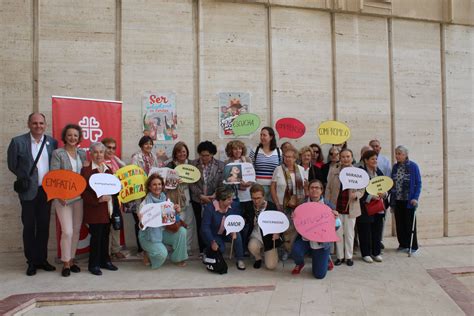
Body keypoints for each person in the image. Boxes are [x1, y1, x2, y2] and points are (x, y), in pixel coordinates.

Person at [7, 113, 58, 276]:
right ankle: (31, 261)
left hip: (46, 191)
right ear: (29, 124)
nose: (38, 126)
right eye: (35, 123)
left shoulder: (52, 142)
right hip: (28, 190)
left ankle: (42, 259)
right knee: (29, 226)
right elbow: (12, 165)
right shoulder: (17, 142)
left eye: (41, 123)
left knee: (43, 226)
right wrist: (26, 177)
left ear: (45, 125)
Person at [50, 124, 87, 277]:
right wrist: (59, 195)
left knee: (77, 230)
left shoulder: (82, 153)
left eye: (76, 136)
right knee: (68, 231)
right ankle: (65, 262)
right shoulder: (58, 153)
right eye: (70, 135)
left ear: (79, 138)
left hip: (79, 198)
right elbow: (54, 176)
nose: (73, 138)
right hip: (63, 198)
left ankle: (71, 260)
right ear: (65, 136)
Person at [81, 142, 118, 276]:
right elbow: (84, 192)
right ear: (90, 154)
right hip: (94, 209)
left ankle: (105, 261)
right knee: (96, 237)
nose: (98, 155)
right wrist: (98, 200)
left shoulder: (108, 169)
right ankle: (94, 264)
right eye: (95, 152)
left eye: (101, 152)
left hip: (107, 209)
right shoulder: (86, 170)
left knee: (105, 236)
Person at [137, 174, 188, 269]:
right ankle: (148, 254)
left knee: (182, 232)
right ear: (149, 187)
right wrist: (141, 221)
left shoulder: (166, 199)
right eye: (154, 184)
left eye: (159, 184)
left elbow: (170, 220)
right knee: (162, 254)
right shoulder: (144, 204)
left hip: (163, 231)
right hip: (148, 236)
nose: (157, 187)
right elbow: (142, 227)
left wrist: (176, 212)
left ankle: (178, 258)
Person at [291, 179, 338, 279]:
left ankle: (327, 259)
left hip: (321, 241)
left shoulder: (329, 206)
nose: (314, 190)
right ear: (308, 190)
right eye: (312, 188)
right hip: (305, 239)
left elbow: (337, 227)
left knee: (319, 275)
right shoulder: (302, 204)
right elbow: (297, 224)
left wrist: (336, 219)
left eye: (317, 188)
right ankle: (300, 264)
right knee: (296, 251)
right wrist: (294, 217)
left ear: (321, 190)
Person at [325, 148, 363, 267]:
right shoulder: (334, 170)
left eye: (348, 156)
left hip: (350, 207)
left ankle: (349, 257)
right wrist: (328, 205)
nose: (345, 159)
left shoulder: (357, 172)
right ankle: (340, 257)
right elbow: (328, 189)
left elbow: (362, 190)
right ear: (340, 158)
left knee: (350, 233)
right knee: (338, 233)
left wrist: (356, 195)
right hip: (336, 207)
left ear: (352, 158)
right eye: (343, 157)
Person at [190, 141, 225, 254]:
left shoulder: (220, 165)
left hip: (213, 200)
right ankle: (202, 250)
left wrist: (215, 195)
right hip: (197, 200)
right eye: (202, 155)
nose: (204, 157)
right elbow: (191, 183)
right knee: (200, 224)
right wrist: (200, 196)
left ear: (212, 154)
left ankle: (212, 248)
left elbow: (222, 183)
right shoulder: (193, 165)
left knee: (212, 225)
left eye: (207, 155)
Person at [270, 146, 306, 257]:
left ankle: (292, 250)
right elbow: (273, 187)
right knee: (283, 228)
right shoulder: (278, 169)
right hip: (282, 204)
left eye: (290, 157)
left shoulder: (301, 169)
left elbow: (304, 186)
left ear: (295, 158)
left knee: (294, 228)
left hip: (297, 205)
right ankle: (284, 250)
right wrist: (276, 202)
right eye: (285, 157)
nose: (288, 159)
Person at [130, 136, 160, 258]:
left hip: (152, 192)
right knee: (140, 219)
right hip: (139, 193)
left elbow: (157, 172)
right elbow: (133, 173)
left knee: (151, 219)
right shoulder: (136, 157)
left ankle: (150, 246)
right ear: (141, 145)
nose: (148, 146)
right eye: (146, 144)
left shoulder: (154, 157)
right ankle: (140, 249)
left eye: (150, 144)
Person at [201, 187, 246, 270]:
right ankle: (207, 252)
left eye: (232, 198)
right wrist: (212, 241)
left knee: (238, 236)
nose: (231, 201)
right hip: (213, 234)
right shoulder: (209, 208)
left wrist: (235, 229)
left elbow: (238, 219)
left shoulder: (234, 206)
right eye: (229, 199)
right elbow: (205, 227)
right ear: (221, 201)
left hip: (227, 231)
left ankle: (240, 259)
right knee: (220, 249)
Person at [390, 145, 422, 254]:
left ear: (405, 155)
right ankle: (403, 244)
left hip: (409, 200)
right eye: (396, 153)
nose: (397, 156)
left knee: (409, 224)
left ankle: (413, 246)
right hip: (397, 200)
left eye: (400, 154)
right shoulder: (395, 167)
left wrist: (415, 198)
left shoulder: (413, 166)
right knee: (399, 223)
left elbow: (418, 183)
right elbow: (391, 183)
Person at [357, 150, 386, 263]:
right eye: (372, 159)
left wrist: (385, 194)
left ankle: (376, 252)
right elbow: (358, 190)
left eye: (376, 159)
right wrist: (369, 197)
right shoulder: (361, 173)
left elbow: (385, 187)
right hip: (365, 207)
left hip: (378, 207)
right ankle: (366, 253)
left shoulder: (379, 172)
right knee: (365, 231)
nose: (375, 161)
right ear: (366, 160)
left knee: (377, 230)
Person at [166, 141, 196, 254]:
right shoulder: (170, 166)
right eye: (179, 152)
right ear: (175, 153)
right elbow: (166, 185)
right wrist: (175, 182)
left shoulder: (192, 165)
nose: (181, 154)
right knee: (177, 224)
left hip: (190, 198)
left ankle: (186, 248)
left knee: (189, 224)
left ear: (187, 152)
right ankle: (177, 248)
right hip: (176, 200)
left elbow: (196, 179)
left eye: (183, 152)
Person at [224, 140, 253, 251]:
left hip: (248, 197)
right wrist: (237, 186)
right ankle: (239, 249)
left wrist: (248, 183)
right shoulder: (227, 162)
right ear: (231, 150)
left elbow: (252, 176)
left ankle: (245, 246)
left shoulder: (248, 160)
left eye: (240, 148)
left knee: (248, 224)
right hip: (235, 198)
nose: (238, 151)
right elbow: (226, 181)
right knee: (237, 224)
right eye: (235, 149)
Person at [102, 137, 127, 260]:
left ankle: (116, 249)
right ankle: (105, 252)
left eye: (113, 148)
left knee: (116, 223)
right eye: (108, 147)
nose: (111, 150)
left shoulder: (116, 161)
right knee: (105, 226)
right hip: (104, 199)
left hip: (116, 198)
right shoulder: (98, 162)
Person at [245, 184, 281, 270]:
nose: (256, 201)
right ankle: (258, 258)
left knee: (271, 266)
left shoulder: (272, 206)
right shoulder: (249, 206)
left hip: (269, 239)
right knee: (252, 246)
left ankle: (269, 252)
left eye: (258, 198)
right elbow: (244, 220)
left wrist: (278, 233)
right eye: (253, 198)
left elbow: (279, 223)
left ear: (264, 196)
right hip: (256, 236)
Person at [249, 127, 282, 201]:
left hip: (273, 188)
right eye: (261, 135)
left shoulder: (278, 151)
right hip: (258, 187)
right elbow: (249, 167)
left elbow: (280, 169)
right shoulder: (255, 150)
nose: (262, 137)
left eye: (264, 135)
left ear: (271, 137)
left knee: (271, 209)